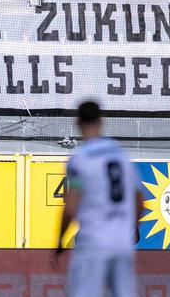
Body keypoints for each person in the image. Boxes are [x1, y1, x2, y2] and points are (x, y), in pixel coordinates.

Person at [54, 101, 143, 297]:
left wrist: (60, 240)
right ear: (102, 122)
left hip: (93, 241)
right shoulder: (120, 154)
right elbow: (139, 198)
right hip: (121, 243)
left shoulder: (80, 159)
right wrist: (132, 227)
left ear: (77, 122)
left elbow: (70, 209)